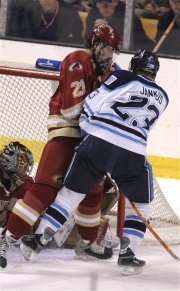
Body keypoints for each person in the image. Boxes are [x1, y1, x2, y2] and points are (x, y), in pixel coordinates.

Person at [20, 49, 169, 275]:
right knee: (142, 204)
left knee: (70, 194)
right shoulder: (164, 97)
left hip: (97, 143)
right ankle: (128, 254)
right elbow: (143, 130)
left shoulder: (121, 77)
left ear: (133, 65)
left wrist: (90, 129)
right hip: (132, 153)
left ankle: (37, 240)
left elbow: (90, 104)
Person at [0, 24, 122, 268]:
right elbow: (73, 109)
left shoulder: (107, 72)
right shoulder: (78, 61)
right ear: (95, 45)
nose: (109, 55)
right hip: (67, 133)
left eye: (113, 51)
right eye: (107, 49)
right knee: (44, 188)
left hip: (89, 139)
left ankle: (87, 243)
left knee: (93, 190)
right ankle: (6, 239)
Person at [85, 0, 154, 51]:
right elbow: (87, 40)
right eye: (100, 2)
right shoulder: (93, 14)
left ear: (115, 2)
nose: (104, 8)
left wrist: (109, 30)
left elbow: (138, 43)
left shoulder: (128, 17)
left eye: (108, 3)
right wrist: (95, 31)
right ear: (96, 4)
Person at [19, 0, 84, 45]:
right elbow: (26, 37)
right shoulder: (30, 10)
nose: (47, 0)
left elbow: (71, 44)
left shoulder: (70, 14)